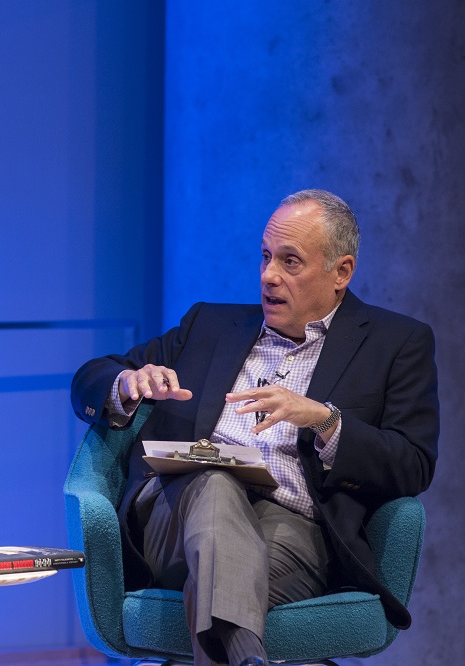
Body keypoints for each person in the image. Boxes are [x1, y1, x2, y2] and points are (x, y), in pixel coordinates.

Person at [70, 189, 439, 666]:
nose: (268, 276)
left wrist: (324, 419)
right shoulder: (209, 325)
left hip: (296, 535)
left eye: (290, 262)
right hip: (172, 521)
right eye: (266, 257)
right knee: (213, 477)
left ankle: (240, 653)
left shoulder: (396, 343)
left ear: (341, 272)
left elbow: (413, 464)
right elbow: (90, 376)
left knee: (224, 573)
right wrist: (126, 381)